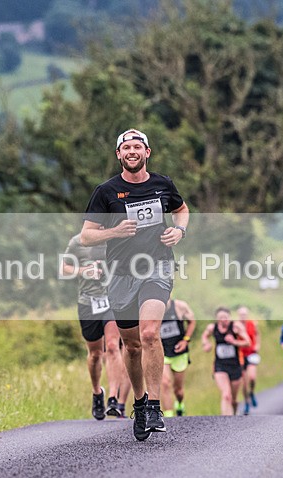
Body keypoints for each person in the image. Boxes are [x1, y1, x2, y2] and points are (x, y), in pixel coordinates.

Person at [81, 128, 190, 441]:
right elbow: (87, 235)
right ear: (118, 155)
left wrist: (179, 232)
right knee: (130, 345)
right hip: (120, 275)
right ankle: (140, 402)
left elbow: (181, 210)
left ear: (147, 153)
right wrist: (114, 232)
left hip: (158, 266)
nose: (132, 151)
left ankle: (154, 405)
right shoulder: (106, 191)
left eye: (137, 146)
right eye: (126, 147)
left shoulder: (162, 184)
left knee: (149, 333)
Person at [61, 234, 129, 420]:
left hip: (112, 300)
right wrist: (83, 270)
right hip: (87, 302)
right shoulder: (77, 241)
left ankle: (113, 399)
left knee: (113, 347)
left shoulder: (116, 237)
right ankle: (97, 392)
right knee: (95, 354)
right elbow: (64, 268)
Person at [201, 306, 251, 416]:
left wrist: (234, 342)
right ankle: (226, 423)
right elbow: (204, 336)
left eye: (225, 317)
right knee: (226, 395)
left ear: (229, 317)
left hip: (235, 366)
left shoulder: (236, 326)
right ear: (216, 318)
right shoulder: (212, 328)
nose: (223, 319)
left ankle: (235, 411)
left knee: (233, 399)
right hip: (220, 366)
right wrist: (206, 344)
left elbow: (248, 342)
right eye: (220, 317)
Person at [160, 298, 196, 417]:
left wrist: (185, 340)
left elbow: (192, 321)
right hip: (162, 352)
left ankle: (180, 404)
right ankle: (169, 415)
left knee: (178, 390)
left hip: (179, 352)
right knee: (165, 383)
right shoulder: (153, 309)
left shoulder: (179, 306)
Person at [237, 305, 261, 414]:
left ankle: (252, 392)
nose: (243, 316)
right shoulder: (235, 326)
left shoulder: (252, 324)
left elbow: (257, 334)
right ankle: (246, 403)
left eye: (244, 314)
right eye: (241, 314)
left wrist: (258, 345)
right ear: (238, 315)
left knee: (252, 377)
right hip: (241, 356)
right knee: (244, 383)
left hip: (251, 353)